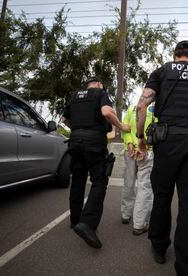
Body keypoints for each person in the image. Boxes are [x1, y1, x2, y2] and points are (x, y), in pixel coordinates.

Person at [136, 40, 188, 275]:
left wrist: (141, 137)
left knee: (162, 196)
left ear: (175, 55)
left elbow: (141, 106)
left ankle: (159, 247)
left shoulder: (162, 71)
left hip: (165, 143)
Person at [61, 77, 129, 249]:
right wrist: (120, 125)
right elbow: (106, 112)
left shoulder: (75, 96)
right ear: (99, 84)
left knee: (78, 180)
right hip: (94, 143)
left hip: (75, 141)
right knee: (99, 181)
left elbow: (64, 120)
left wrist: (77, 129)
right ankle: (88, 223)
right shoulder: (101, 93)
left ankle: (75, 220)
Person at [121, 104, 155, 235]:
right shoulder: (157, 109)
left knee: (128, 183)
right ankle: (139, 223)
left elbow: (125, 127)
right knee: (145, 186)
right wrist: (144, 147)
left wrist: (129, 143)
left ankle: (125, 214)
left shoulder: (132, 108)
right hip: (146, 152)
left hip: (129, 150)